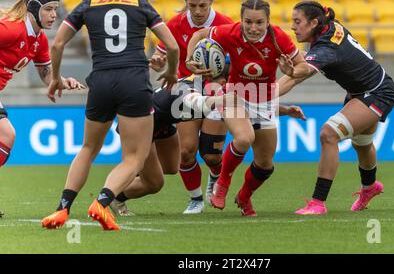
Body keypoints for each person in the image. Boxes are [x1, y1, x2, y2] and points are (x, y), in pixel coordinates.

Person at [41, 0, 179, 231]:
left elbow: (56, 44)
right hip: (134, 82)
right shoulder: (139, 1)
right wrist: (172, 73)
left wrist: (55, 78)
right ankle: (102, 203)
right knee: (133, 157)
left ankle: (62, 209)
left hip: (101, 80)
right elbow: (172, 46)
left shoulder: (89, 2)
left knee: (88, 148)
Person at [110, 61, 305, 216]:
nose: (228, 89)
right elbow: (194, 101)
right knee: (154, 183)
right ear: (216, 80)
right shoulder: (189, 87)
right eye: (226, 85)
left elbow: (248, 106)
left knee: (170, 167)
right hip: (141, 124)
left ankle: (133, 176)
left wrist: (285, 110)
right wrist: (221, 100)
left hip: (163, 123)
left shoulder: (209, 84)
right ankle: (112, 196)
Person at [186, 0, 304, 217]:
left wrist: (291, 72)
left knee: (265, 164)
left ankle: (244, 197)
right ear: (241, 20)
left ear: (268, 22)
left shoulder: (279, 38)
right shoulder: (230, 32)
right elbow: (198, 35)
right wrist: (189, 58)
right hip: (234, 96)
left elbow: (303, 66)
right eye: (248, 22)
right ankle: (222, 183)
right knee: (243, 138)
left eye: (259, 22)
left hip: (264, 100)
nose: (253, 27)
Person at [277, 0, 394, 215]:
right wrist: (275, 87)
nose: (293, 27)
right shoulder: (328, 28)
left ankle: (317, 203)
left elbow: (299, 75)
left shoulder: (326, 47)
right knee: (362, 143)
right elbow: (300, 69)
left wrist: (286, 77)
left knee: (328, 134)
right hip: (362, 90)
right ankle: (370, 187)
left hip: (377, 92)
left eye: (297, 22)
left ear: (314, 22)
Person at [151, 0, 234, 214]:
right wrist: (159, 63)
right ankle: (196, 199)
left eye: (203, 6)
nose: (198, 11)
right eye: (192, 5)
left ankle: (214, 175)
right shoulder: (174, 25)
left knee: (210, 155)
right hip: (184, 92)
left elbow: (236, 60)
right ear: (185, 1)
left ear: (212, 1)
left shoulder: (225, 23)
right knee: (186, 152)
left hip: (216, 91)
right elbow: (163, 59)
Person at [0, 0, 84, 215]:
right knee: (7, 134)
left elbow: (47, 74)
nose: (53, 15)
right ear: (34, 8)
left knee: (7, 135)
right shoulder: (11, 30)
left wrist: (62, 80)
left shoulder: (39, 40)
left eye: (55, 9)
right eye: (48, 9)